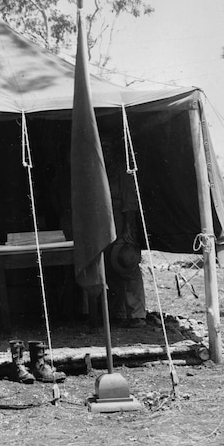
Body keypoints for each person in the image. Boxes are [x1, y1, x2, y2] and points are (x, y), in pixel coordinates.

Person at [102, 135, 147, 328]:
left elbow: (130, 203)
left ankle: (137, 314)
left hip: (123, 223)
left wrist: (128, 228)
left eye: (107, 147)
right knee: (111, 269)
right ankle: (119, 313)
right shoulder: (102, 171)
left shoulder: (123, 171)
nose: (104, 151)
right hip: (106, 224)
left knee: (127, 264)